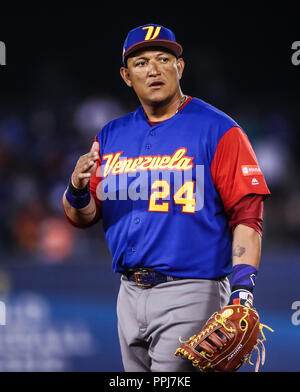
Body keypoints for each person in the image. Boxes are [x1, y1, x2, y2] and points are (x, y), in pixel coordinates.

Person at [62, 24, 271, 372]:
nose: (154, 69)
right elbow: (82, 217)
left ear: (180, 67)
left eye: (164, 58)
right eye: (141, 62)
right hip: (128, 294)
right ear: (127, 76)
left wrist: (242, 292)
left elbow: (248, 215)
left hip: (192, 292)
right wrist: (77, 190)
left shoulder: (219, 130)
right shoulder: (111, 135)